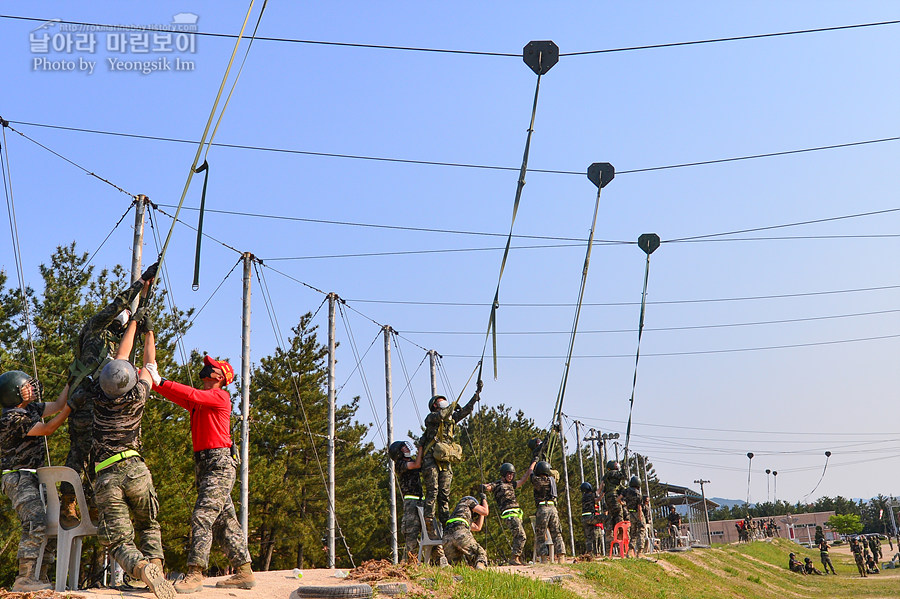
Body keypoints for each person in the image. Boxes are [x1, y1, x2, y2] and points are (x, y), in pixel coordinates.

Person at [62, 262, 158, 525]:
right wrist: (140, 283)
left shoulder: (118, 341)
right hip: (83, 399)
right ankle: (69, 501)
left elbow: (129, 346)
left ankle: (95, 502)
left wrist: (145, 306)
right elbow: (116, 305)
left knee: (102, 451)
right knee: (79, 449)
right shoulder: (94, 328)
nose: (123, 315)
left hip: (104, 402)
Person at [150, 353, 255, 592]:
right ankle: (245, 572)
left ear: (219, 377)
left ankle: (195, 573)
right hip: (207, 465)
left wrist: (162, 380)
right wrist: (154, 382)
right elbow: (180, 396)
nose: (206, 369)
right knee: (225, 521)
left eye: (211, 368)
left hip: (219, 464)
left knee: (202, 516)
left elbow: (190, 393)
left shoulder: (219, 396)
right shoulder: (201, 401)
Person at [91, 314, 175, 599]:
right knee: (149, 523)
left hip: (105, 472)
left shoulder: (97, 394)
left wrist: (133, 325)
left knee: (118, 540)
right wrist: (147, 330)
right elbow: (149, 366)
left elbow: (119, 358)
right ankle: (156, 569)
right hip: (135, 467)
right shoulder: (138, 394)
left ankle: (140, 570)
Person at [0, 371, 72, 591]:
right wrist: (72, 408)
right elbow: (48, 428)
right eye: (26, 386)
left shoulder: (30, 409)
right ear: (14, 393)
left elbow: (59, 404)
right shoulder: (11, 419)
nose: (31, 388)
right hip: (17, 477)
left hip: (33, 476)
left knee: (51, 523)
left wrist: (73, 381)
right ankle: (25, 577)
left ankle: (40, 576)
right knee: (35, 522)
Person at [417, 382, 481, 562]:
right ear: (435, 406)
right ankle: (429, 521)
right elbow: (445, 413)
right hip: (431, 459)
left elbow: (464, 412)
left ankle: (446, 526)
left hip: (445, 461)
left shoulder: (450, 419)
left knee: (444, 496)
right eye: (441, 401)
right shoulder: (432, 418)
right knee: (433, 491)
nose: (444, 403)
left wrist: (475, 397)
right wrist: (451, 405)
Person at [484, 460, 535, 565]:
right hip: (509, 514)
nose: (511, 476)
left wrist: (534, 463)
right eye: (509, 474)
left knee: (518, 536)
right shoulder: (498, 484)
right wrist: (483, 487)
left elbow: (523, 479)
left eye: (512, 474)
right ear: (503, 474)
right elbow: (488, 486)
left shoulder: (512, 484)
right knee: (521, 536)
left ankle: (517, 558)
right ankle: (514, 558)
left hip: (516, 513)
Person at [388, 440, 422, 563]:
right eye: (404, 448)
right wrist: (421, 448)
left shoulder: (410, 460)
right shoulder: (400, 464)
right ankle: (408, 561)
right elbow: (417, 465)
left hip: (420, 500)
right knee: (411, 533)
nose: (407, 449)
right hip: (411, 502)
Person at [530, 460, 565, 563]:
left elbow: (530, 471)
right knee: (556, 532)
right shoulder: (552, 480)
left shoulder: (537, 480)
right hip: (553, 508)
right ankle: (561, 557)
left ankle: (544, 559)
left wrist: (534, 462)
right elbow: (555, 473)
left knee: (540, 534)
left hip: (542, 509)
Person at [442, 494, 489, 569]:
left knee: (456, 566)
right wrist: (484, 500)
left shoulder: (459, 515)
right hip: (460, 531)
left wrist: (481, 514)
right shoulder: (467, 501)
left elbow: (477, 527)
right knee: (479, 553)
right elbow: (485, 511)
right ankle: (481, 569)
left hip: (446, 537)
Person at [598, 461, 627, 552]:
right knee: (619, 517)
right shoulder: (615, 473)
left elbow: (601, 487)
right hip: (615, 498)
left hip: (607, 498)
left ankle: (609, 544)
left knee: (610, 517)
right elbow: (624, 476)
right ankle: (621, 539)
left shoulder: (606, 476)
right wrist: (624, 467)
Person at [621, 476, 649, 558]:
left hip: (630, 514)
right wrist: (640, 518)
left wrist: (624, 504)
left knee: (633, 533)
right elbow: (639, 507)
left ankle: (630, 551)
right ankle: (640, 552)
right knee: (641, 531)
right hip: (637, 513)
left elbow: (619, 499)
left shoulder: (626, 491)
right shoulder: (638, 494)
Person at [579, 481, 602, 556]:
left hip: (584, 518)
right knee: (605, 518)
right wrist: (602, 486)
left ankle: (589, 552)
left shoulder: (584, 497)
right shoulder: (590, 495)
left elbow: (595, 500)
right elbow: (598, 493)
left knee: (589, 536)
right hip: (590, 517)